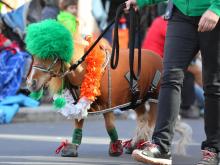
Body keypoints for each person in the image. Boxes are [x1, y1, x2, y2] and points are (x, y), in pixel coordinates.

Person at [126, 0, 220, 165]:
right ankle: (161, 147)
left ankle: (213, 149)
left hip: (213, 13)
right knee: (170, 77)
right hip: (181, 13)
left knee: (213, 84)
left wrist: (217, 7)